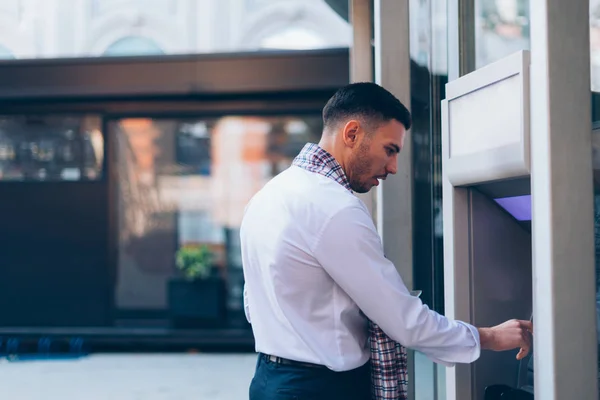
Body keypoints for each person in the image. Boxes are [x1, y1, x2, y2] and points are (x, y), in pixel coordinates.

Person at [240, 82, 533, 400]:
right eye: (389, 150)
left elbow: (252, 303)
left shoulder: (271, 193)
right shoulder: (333, 207)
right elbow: (402, 319)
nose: (393, 167)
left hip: (269, 380)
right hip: (321, 388)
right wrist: (488, 336)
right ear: (352, 134)